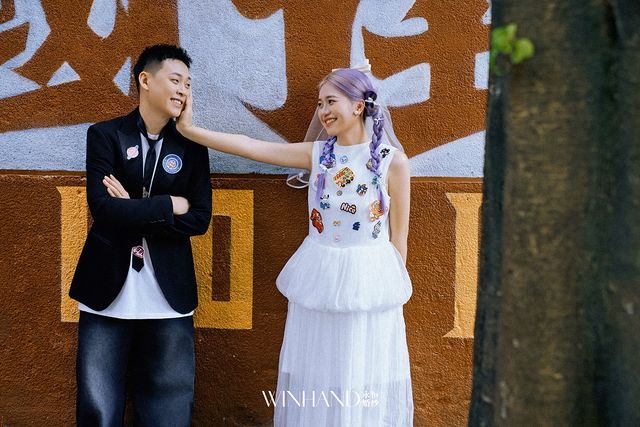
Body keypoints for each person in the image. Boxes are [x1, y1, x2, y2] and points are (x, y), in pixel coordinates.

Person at [174, 66, 413, 426]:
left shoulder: (393, 162)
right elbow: (252, 147)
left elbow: (399, 237)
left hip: (370, 283)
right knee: (319, 368)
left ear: (358, 106)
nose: (323, 111)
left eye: (331, 102)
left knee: (364, 371)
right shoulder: (317, 155)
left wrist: (389, 293)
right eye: (320, 104)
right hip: (320, 277)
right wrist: (190, 130)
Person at [69, 44, 212, 426]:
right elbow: (103, 208)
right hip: (105, 290)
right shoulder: (105, 135)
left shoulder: (193, 147)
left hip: (169, 295)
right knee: (98, 409)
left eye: (188, 84)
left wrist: (131, 208)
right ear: (145, 80)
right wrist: (169, 205)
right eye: (175, 80)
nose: (183, 90)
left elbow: (199, 219)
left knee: (170, 409)